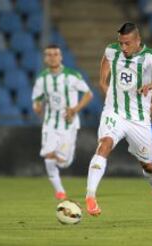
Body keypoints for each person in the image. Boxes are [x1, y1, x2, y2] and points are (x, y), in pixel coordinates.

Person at [85, 23, 152, 219]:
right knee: (104, 144)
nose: (123, 48)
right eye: (121, 43)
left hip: (138, 120)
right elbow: (106, 58)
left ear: (138, 41)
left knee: (149, 165)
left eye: (127, 44)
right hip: (114, 113)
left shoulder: (150, 57)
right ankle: (90, 196)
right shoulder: (112, 50)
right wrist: (103, 81)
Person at [32, 44, 93, 200]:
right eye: (49, 54)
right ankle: (60, 191)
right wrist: (37, 107)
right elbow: (37, 100)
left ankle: (64, 159)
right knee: (48, 154)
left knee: (64, 162)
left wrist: (75, 109)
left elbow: (88, 94)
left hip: (69, 123)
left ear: (61, 57)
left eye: (55, 54)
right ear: (45, 58)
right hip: (50, 123)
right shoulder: (41, 79)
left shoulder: (72, 75)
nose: (52, 57)